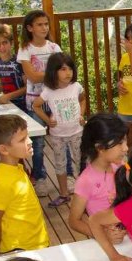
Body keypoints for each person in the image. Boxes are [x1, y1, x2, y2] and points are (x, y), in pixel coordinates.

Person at [17, 10, 67, 197]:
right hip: (34, 101)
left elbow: (63, 72)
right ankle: (41, 178)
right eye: (39, 24)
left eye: (46, 24)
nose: (44, 27)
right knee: (37, 143)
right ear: (30, 28)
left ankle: (69, 174)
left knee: (62, 138)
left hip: (56, 100)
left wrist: (46, 76)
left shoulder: (54, 48)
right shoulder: (25, 49)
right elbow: (31, 76)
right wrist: (54, 74)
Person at [0, 114, 49, 255]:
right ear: (4, 149)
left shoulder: (17, 168)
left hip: (36, 244)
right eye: (22, 140)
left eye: (27, 136)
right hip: (19, 250)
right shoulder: (2, 181)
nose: (30, 141)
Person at [32, 53, 86, 207]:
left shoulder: (76, 87)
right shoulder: (49, 91)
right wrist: (48, 120)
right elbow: (35, 106)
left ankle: (83, 193)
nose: (68, 73)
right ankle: (63, 194)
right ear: (53, 71)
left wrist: (81, 114)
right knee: (60, 164)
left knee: (81, 161)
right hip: (58, 135)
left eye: (70, 69)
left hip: (77, 132)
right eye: (63, 69)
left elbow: (82, 99)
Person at [68, 113, 128, 243]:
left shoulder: (123, 167)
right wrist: (103, 235)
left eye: (125, 141)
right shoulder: (86, 180)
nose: (126, 148)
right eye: (120, 143)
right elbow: (74, 221)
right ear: (100, 147)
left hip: (130, 237)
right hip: (107, 245)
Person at [0, 24, 27, 111]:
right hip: (8, 104)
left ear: (11, 43)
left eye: (5, 42)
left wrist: (9, 96)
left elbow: (28, 87)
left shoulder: (19, 62)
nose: (2, 47)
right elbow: (3, 82)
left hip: (23, 105)